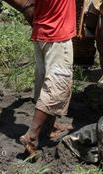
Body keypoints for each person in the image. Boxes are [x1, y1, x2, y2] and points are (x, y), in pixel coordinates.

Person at [19, 0, 76, 155]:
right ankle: (32, 135)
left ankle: (49, 128)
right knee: (57, 85)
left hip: (41, 33)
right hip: (57, 35)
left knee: (44, 80)